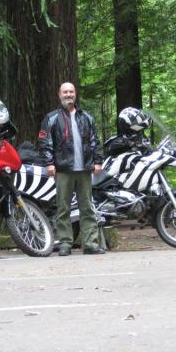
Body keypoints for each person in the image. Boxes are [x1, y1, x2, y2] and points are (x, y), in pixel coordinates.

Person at [38, 82, 105, 256]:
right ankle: (65, 243)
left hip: (84, 169)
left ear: (75, 94)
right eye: (65, 92)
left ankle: (90, 243)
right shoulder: (51, 118)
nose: (68, 94)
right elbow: (45, 142)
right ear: (59, 95)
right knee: (63, 208)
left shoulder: (86, 117)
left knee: (87, 207)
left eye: (71, 91)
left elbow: (94, 141)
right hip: (62, 169)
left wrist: (98, 161)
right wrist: (49, 163)